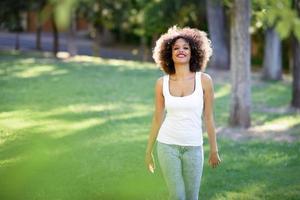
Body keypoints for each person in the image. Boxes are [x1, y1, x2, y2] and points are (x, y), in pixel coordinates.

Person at [145, 26, 221, 200]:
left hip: (194, 147)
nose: (181, 50)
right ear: (169, 54)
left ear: (193, 52)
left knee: (192, 196)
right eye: (176, 48)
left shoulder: (204, 81)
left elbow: (209, 118)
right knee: (177, 196)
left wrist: (214, 150)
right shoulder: (161, 83)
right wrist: (148, 151)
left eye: (185, 47)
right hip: (167, 145)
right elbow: (157, 118)